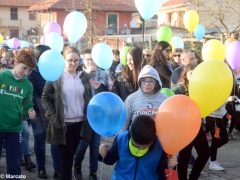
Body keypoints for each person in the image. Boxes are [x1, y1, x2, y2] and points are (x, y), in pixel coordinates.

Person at [41, 46, 92, 180]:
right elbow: (45, 98)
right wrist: (53, 118)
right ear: (63, 60)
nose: (73, 63)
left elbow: (88, 97)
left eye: (76, 60)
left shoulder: (84, 76)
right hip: (63, 125)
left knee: (70, 157)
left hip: (80, 124)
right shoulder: (56, 76)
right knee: (67, 159)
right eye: (70, 60)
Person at [99, 115, 175, 180]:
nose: (139, 149)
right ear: (131, 136)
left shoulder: (161, 147)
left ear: (152, 140)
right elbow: (110, 160)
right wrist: (103, 154)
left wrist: (171, 167)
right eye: (135, 145)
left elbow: (164, 175)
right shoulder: (121, 139)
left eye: (144, 147)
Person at [74, 49, 110, 180]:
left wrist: (103, 86)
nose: (90, 62)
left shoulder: (103, 73)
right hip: (84, 115)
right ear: (84, 60)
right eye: (88, 59)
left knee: (95, 145)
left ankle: (93, 172)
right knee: (82, 144)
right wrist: (88, 75)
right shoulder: (80, 74)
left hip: (99, 115)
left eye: (92, 59)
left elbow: (108, 93)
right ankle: (77, 167)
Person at [0, 48, 36, 177]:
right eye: (24, 68)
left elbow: (27, 107)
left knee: (14, 167)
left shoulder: (28, 86)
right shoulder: (2, 76)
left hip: (15, 130)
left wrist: (30, 112)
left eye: (30, 70)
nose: (26, 73)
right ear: (15, 62)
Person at [27, 45, 61, 179]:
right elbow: (33, 95)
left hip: (53, 113)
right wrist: (45, 110)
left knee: (55, 142)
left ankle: (57, 169)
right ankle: (41, 168)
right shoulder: (33, 74)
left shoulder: (56, 71)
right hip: (38, 114)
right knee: (39, 142)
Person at [173, 64, 210, 180]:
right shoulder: (180, 89)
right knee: (185, 156)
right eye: (191, 73)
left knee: (204, 153)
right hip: (184, 127)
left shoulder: (203, 87)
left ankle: (193, 177)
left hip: (198, 125)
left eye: (196, 73)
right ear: (185, 75)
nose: (194, 76)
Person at [205, 105, 229, 171]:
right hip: (213, 118)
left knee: (225, 139)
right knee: (216, 141)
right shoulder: (213, 95)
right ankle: (213, 162)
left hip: (219, 118)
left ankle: (207, 152)